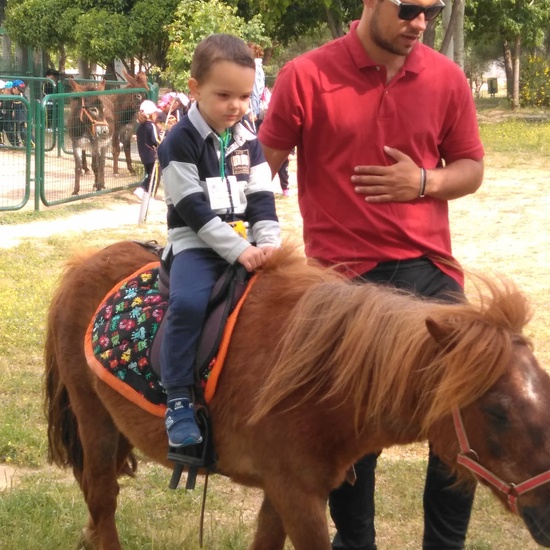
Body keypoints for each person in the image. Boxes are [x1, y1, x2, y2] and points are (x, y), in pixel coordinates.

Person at [258, 1, 484, 549]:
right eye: (408, 8)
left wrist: (424, 183)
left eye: (431, 11)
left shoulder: (447, 78)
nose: (420, 22)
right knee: (347, 427)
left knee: (465, 418)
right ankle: (355, 542)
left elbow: (471, 168)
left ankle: (445, 545)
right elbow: (263, 162)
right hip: (341, 280)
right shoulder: (305, 75)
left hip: (431, 272)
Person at [157, 33, 281, 448]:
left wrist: (269, 246)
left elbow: (262, 200)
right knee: (189, 302)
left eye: (244, 96)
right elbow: (194, 211)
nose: (236, 106)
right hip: (195, 243)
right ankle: (177, 396)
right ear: (195, 89)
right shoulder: (178, 143)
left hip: (242, 240)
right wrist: (240, 251)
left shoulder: (250, 141)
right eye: (224, 94)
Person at [134, 99, 161, 200]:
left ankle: (141, 190)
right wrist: (163, 139)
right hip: (153, 156)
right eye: (155, 113)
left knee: (150, 175)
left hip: (144, 156)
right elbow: (156, 140)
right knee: (155, 176)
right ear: (151, 114)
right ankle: (150, 195)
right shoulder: (151, 126)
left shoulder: (140, 128)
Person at [247, 42, 265, 131]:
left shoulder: (255, 68)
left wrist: (253, 112)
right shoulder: (257, 67)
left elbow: (256, 91)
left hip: (253, 109)